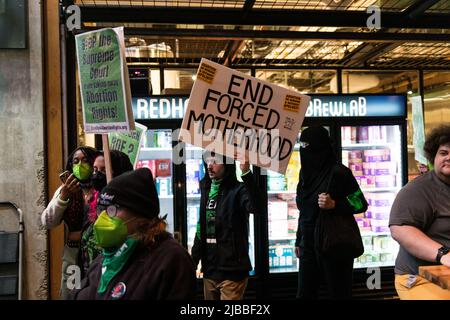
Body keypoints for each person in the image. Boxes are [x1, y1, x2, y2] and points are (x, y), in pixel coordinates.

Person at [70, 168, 197, 300]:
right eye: (101, 209)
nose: (102, 217)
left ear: (140, 215)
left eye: (112, 209)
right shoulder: (105, 258)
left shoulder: (171, 260)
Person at [294, 126, 367, 300]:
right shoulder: (304, 174)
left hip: (333, 245)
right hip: (308, 247)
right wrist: (299, 240)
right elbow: (304, 211)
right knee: (304, 294)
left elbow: (360, 203)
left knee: (338, 294)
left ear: (319, 146)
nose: (304, 150)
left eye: (307, 145)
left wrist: (335, 204)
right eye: (301, 145)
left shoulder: (339, 172)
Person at [389, 124, 450, 300]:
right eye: (444, 153)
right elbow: (400, 230)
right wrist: (443, 254)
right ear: (433, 156)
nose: (449, 158)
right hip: (418, 278)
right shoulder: (419, 189)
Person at [191, 152, 261, 300]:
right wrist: (193, 260)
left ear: (227, 164)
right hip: (210, 269)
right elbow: (201, 227)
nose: (210, 165)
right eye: (208, 161)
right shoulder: (206, 187)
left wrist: (246, 173)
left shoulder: (238, 190)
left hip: (232, 271)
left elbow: (256, 208)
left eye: (215, 161)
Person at [41, 146, 99, 299]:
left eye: (85, 161)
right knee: (71, 293)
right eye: (76, 161)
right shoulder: (66, 190)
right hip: (73, 254)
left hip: (98, 253)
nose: (80, 165)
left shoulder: (102, 188)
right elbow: (47, 222)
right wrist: (63, 197)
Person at [80, 150, 134, 276]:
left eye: (103, 170)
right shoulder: (93, 201)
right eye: (94, 169)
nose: (96, 174)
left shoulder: (128, 209)